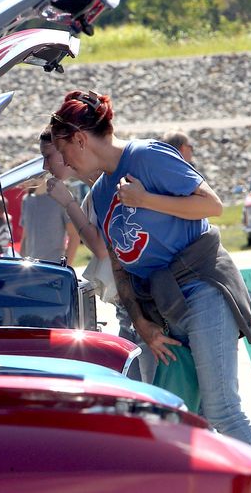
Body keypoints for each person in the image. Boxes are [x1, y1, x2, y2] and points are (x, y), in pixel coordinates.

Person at [45, 89, 251, 492]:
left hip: (201, 288)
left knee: (222, 410)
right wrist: (141, 324)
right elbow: (118, 264)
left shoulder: (147, 156)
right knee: (182, 416)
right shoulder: (100, 192)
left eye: (65, 150)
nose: (64, 161)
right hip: (160, 312)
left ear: (81, 139)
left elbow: (211, 205)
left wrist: (144, 198)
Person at [40, 127, 156, 383]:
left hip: (144, 304)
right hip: (128, 304)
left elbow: (102, 248)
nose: (46, 165)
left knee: (148, 389)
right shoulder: (96, 189)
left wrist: (68, 203)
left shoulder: (106, 185)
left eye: (50, 155)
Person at [20, 175, 78, 264]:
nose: (20, 185)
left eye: (22, 180)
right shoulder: (26, 200)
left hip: (54, 267)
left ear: (33, 177)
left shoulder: (60, 197)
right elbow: (25, 236)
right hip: (31, 268)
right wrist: (20, 264)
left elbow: (74, 236)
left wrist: (65, 268)